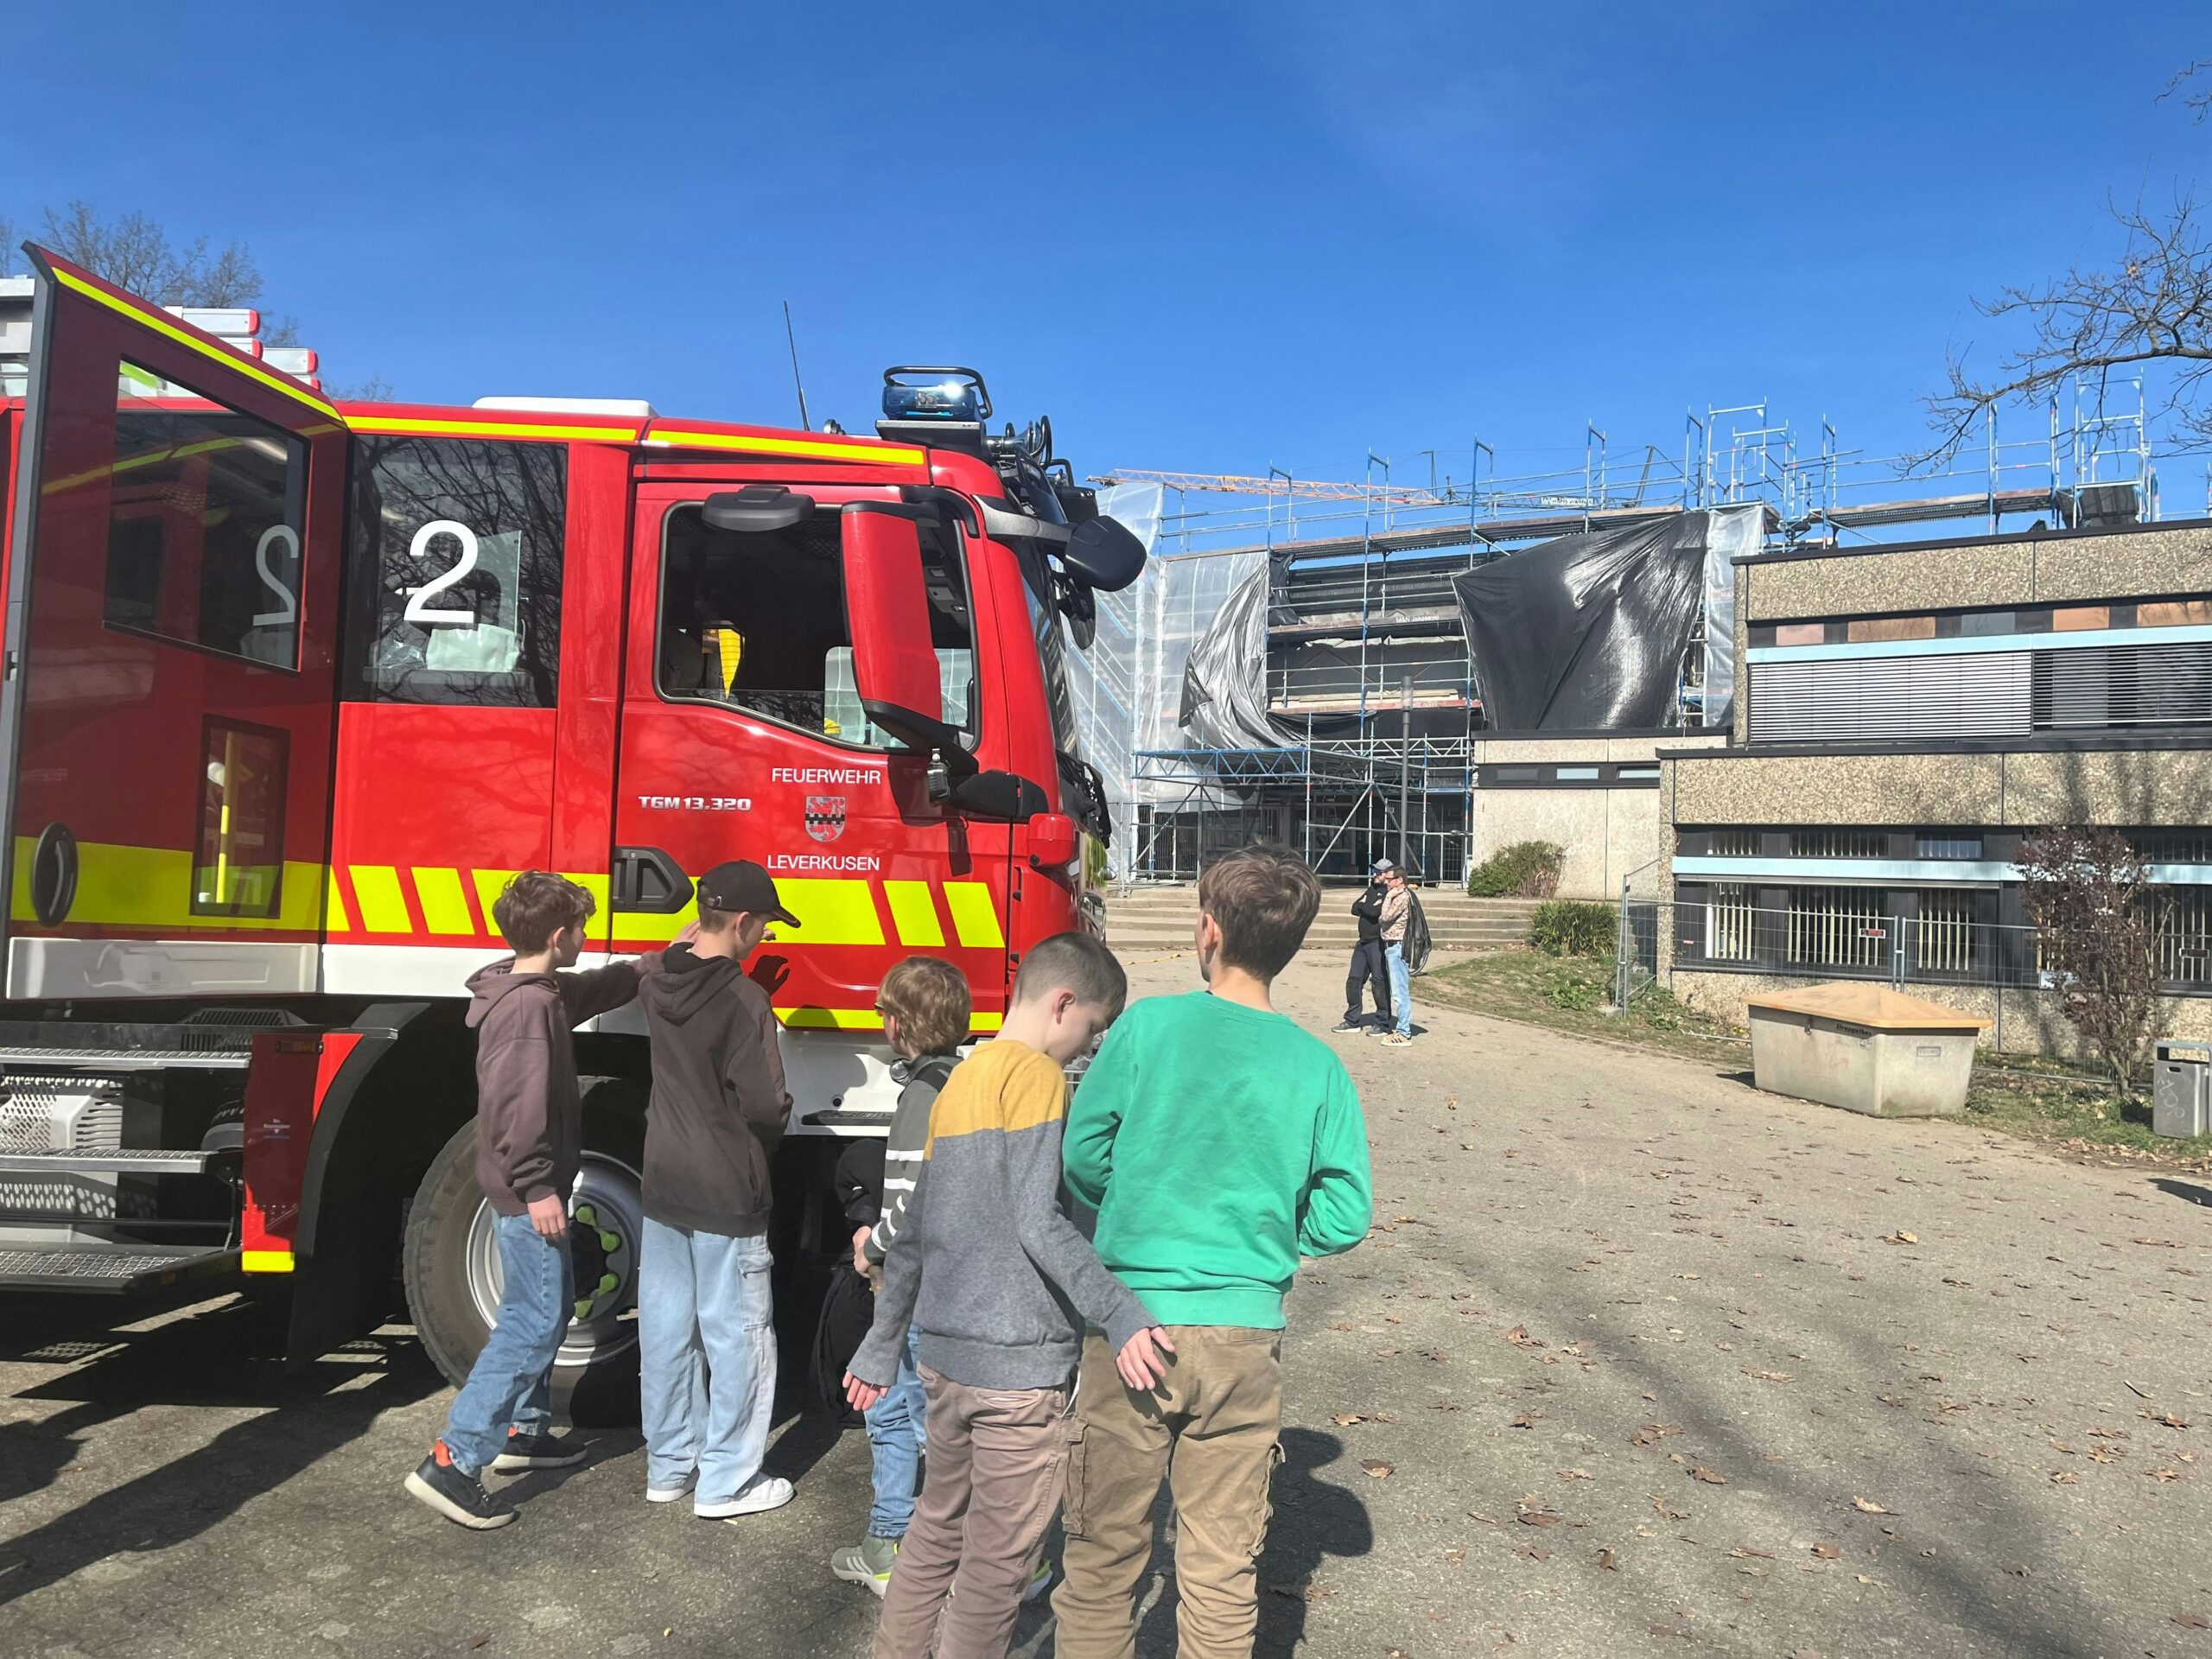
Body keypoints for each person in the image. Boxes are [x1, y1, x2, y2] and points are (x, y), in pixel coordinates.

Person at [1054, 843, 1374, 1659]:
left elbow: (1083, 1153)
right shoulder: (1319, 1066)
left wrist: (1128, 1212)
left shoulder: (1149, 1027)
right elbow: (1345, 1214)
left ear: (1207, 932)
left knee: (1101, 1559)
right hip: (1242, 1335)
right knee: (1222, 1570)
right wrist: (1269, 1237)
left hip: (1130, 1321)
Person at [843, 933, 1173, 1659]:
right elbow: (1037, 1219)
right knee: (998, 1565)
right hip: (1016, 1373)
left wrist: (880, 1344)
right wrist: (1119, 1311)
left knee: (933, 1530)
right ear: (1063, 1005)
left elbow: (916, 1228)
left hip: (946, 1363)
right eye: (1089, 1030)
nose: (1085, 1050)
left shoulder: (961, 1075)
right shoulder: (1035, 1076)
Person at [404, 871, 642, 1529]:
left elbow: (590, 989)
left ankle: (524, 1433)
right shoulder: (530, 1010)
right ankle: (453, 1461)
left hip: (527, 1189)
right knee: (533, 1324)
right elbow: (514, 1112)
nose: (587, 940)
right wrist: (538, 1187)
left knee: (545, 1308)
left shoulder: (530, 987)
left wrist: (650, 965)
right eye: (583, 930)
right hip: (526, 1194)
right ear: (562, 936)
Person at [634, 860, 801, 1521]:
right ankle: (729, 1480)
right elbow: (766, 1102)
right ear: (741, 922)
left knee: (668, 1330)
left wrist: (699, 932)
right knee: (738, 1334)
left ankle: (670, 1465)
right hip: (726, 1186)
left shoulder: (656, 981)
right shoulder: (744, 1000)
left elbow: (679, 946)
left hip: (663, 1178)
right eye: (762, 926)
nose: (763, 938)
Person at [830, 955, 971, 1596]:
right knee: (952, 1425)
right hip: (959, 1280)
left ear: (898, 1025)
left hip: (914, 1283)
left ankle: (889, 1544)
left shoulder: (922, 1094)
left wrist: (872, 1248)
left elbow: (911, 1196)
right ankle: (1000, 1558)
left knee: (891, 1410)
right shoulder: (965, 1080)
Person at [1334, 857, 1395, 1034]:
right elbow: (1355, 907)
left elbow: (1375, 911)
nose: (1375, 874)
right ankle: (1352, 1020)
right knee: (1354, 980)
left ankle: (1383, 1023)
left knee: (1379, 982)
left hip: (1377, 943)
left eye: (1379, 872)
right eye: (1374, 871)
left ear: (1388, 875)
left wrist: (1366, 907)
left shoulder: (1388, 892)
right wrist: (1366, 907)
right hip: (1362, 942)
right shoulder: (1372, 888)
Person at [1379, 861, 1416, 1046]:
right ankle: (1402, 1029)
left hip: (1398, 946)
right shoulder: (1397, 895)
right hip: (1391, 946)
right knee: (1398, 990)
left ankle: (1404, 1033)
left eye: (1389, 880)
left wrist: (1387, 898)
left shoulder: (1402, 897)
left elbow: (1385, 917)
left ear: (1399, 880)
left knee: (1400, 991)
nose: (1386, 883)